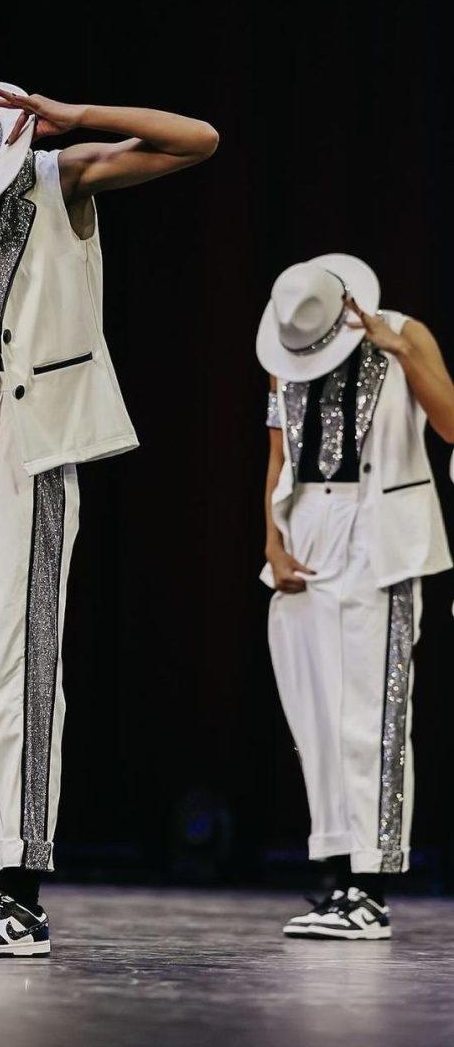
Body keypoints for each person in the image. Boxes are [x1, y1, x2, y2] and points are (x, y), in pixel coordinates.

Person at [0, 77, 218, 957]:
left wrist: (76, 117)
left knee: (14, 660)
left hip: (26, 435)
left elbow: (197, 139)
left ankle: (19, 894)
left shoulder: (52, 176)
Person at [258, 256, 454, 939]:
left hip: (378, 536)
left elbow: (453, 424)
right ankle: (336, 877)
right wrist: (273, 543)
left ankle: (369, 887)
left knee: (369, 715)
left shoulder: (405, 332)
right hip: (308, 528)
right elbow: (278, 458)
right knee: (315, 715)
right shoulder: (287, 349)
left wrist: (401, 352)